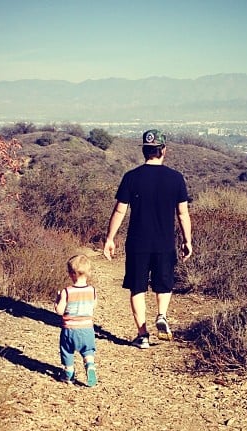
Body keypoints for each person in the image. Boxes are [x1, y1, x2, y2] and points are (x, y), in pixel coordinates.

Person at [103, 129, 192, 349]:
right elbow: (182, 213)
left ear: (144, 150)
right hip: (164, 243)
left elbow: (119, 211)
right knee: (164, 284)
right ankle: (161, 315)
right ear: (164, 150)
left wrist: (109, 239)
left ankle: (142, 335)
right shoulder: (176, 178)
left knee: (138, 287)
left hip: (137, 242)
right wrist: (187, 240)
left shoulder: (131, 177)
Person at [54, 254, 98, 386]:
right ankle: (90, 365)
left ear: (71, 274)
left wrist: (57, 301)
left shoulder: (66, 292)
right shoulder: (92, 290)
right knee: (88, 351)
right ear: (88, 273)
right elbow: (93, 306)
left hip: (70, 330)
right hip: (87, 329)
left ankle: (69, 373)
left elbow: (60, 311)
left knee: (67, 351)